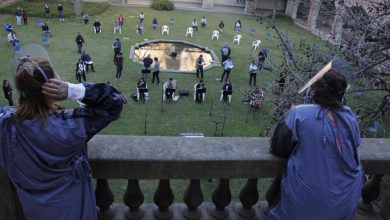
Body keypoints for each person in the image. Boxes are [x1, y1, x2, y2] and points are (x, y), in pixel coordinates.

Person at [0, 55, 125, 220]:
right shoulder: (68, 127)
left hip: (33, 211)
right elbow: (114, 103)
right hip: (75, 210)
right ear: (53, 86)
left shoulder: (5, 126)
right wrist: (73, 90)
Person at [267, 60, 362, 220]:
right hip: (346, 202)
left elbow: (278, 147)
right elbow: (354, 144)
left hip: (308, 203)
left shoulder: (299, 114)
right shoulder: (350, 118)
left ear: (314, 91)